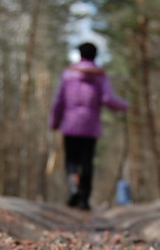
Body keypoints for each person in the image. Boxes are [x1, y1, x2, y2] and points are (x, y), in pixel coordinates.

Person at [50, 42, 128, 210]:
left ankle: (73, 186)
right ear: (95, 56)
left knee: (71, 159)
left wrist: (54, 122)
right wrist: (125, 106)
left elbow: (59, 101)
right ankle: (84, 197)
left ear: (80, 55)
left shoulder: (68, 74)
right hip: (90, 125)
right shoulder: (100, 76)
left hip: (70, 124)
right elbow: (108, 99)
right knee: (86, 161)